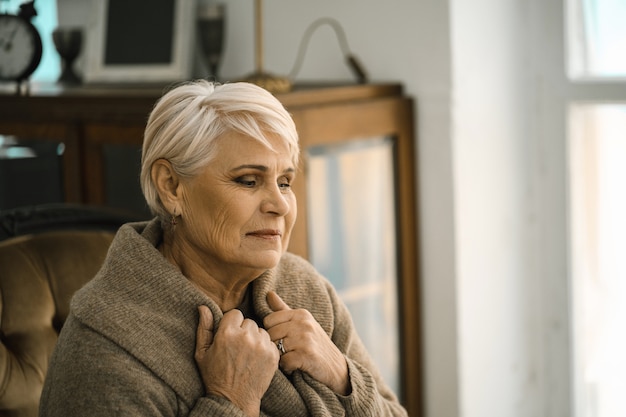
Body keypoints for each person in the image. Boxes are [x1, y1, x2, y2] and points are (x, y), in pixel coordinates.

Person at [39, 80, 408, 417]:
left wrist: (341, 376)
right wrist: (230, 402)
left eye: (284, 182)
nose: (278, 204)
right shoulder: (103, 351)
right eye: (248, 181)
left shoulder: (305, 288)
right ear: (171, 187)